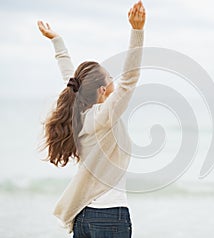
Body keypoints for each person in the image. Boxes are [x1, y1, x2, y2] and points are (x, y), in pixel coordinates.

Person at [37, 1, 146, 237]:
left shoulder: (78, 115)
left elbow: (70, 79)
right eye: (109, 79)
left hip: (83, 216)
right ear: (101, 90)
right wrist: (137, 31)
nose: (114, 83)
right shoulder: (105, 116)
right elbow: (130, 80)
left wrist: (58, 42)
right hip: (110, 216)